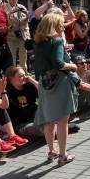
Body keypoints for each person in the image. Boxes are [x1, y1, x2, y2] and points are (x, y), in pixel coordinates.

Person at [34, 13, 79, 165]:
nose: (63, 27)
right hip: (59, 82)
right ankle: (63, 155)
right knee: (62, 121)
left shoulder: (39, 42)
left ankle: (51, 151)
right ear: (53, 26)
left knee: (48, 121)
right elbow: (59, 63)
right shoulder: (57, 40)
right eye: (60, 25)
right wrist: (73, 66)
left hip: (44, 83)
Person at [5, 65, 41, 138]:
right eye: (21, 76)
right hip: (20, 124)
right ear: (11, 78)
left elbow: (44, 92)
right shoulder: (6, 91)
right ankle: (61, 129)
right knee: (41, 129)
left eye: (25, 75)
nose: (24, 77)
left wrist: (32, 80)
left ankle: (58, 129)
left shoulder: (28, 86)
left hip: (35, 117)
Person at [4, 0, 29, 69]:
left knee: (23, 55)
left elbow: (24, 22)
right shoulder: (4, 6)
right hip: (10, 35)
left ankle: (24, 71)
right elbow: (5, 19)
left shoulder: (21, 6)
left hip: (22, 34)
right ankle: (13, 73)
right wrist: (12, 12)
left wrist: (27, 15)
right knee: (12, 56)